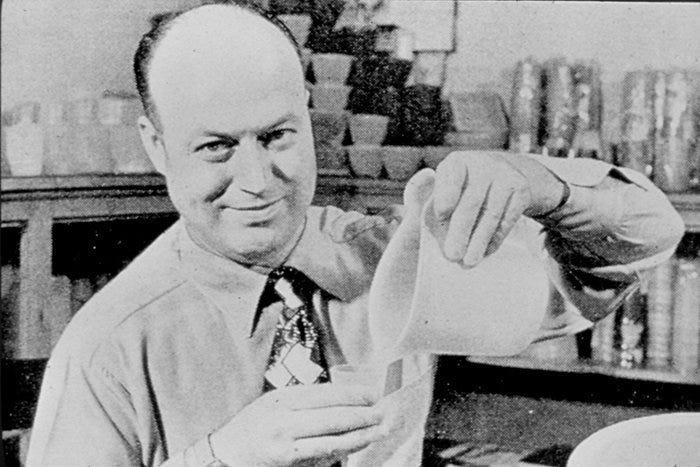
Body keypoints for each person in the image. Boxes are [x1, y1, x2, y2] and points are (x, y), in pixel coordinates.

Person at [26, 2, 684, 466]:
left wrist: (545, 184)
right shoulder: (106, 350)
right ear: (156, 146)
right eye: (216, 147)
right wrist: (220, 459)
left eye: (278, 136)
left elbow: (647, 239)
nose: (258, 180)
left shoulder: (390, 259)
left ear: (308, 120)